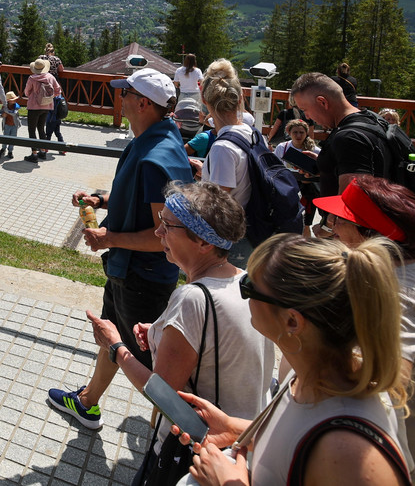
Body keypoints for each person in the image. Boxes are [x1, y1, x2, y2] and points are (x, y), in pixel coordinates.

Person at [180, 234, 411, 486]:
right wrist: (233, 428)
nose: (243, 292)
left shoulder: (349, 453)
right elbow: (297, 440)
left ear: (292, 321)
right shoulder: (304, 374)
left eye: (249, 287)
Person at [83, 182, 272, 485]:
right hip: (243, 446)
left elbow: (163, 395)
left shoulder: (193, 298)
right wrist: (160, 334)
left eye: (167, 226)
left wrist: (115, 346)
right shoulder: (247, 281)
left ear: (203, 242)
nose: (158, 234)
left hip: (197, 452)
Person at [47, 68, 191, 430]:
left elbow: (166, 236)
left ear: (143, 102)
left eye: (124, 92)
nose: (119, 97)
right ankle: (87, 403)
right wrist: (99, 199)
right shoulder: (152, 139)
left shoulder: (157, 158)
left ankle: (183, 434)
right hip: (128, 273)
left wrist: (109, 238)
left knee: (149, 369)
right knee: (112, 336)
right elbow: (136, 200)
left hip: (142, 277)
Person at [314, 176, 415, 486]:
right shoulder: (403, 265)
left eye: (339, 220)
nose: (330, 227)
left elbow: (385, 383)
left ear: (372, 236)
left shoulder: (400, 296)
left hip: (413, 465)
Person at [290, 72, 388, 221]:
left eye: (305, 110)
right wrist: (325, 166)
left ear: (323, 102)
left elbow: (350, 205)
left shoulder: (349, 137)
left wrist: (327, 228)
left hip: (352, 238)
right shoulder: (373, 119)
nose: (307, 117)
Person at [201, 59, 255, 266]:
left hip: (232, 242)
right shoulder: (251, 133)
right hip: (253, 233)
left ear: (204, 100)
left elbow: (219, 204)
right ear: (241, 97)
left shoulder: (222, 147)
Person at [274, 118, 320, 236]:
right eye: (295, 132)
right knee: (289, 219)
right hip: (289, 187)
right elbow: (275, 167)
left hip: (308, 189)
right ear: (289, 133)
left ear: (306, 133)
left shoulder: (315, 150)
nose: (298, 135)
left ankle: (304, 248)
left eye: (301, 132)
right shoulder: (282, 148)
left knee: (306, 223)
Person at [24, 58, 62, 162]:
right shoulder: (50, 77)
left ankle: (34, 154)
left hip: (33, 107)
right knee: (41, 129)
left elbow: (26, 92)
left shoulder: (32, 78)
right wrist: (49, 97)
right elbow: (58, 90)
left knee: (32, 131)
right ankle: (43, 152)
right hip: (46, 106)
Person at [0, 91, 22, 159]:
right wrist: (2, 115)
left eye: (15, 99)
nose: (14, 101)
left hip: (14, 125)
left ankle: (10, 151)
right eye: (12, 100)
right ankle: (3, 149)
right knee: (5, 138)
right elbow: (1, 113)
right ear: (8, 101)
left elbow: (14, 113)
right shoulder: (4, 107)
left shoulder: (16, 106)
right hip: (6, 125)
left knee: (13, 139)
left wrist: (6, 112)